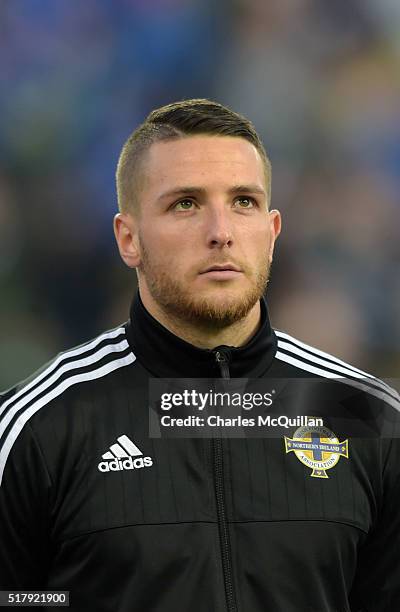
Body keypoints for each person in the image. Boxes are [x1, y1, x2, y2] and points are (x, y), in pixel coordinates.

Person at [0, 99, 399, 612]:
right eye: (185, 203)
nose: (221, 231)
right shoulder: (39, 428)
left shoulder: (366, 416)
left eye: (243, 202)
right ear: (129, 238)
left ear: (272, 233)